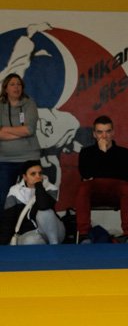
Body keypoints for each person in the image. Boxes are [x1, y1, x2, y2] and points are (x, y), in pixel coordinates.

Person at [76, 115, 128, 243]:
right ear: (94, 134)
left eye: (108, 131)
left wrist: (100, 167)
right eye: (100, 132)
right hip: (94, 194)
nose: (104, 136)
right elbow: (86, 174)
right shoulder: (86, 152)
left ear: (113, 133)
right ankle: (84, 234)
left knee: (127, 188)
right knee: (83, 187)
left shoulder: (123, 152)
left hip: (115, 194)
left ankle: (127, 234)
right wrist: (101, 152)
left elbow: (125, 176)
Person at [0, 73, 41, 207]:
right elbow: (24, 131)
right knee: (4, 198)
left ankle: (33, 221)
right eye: (12, 84)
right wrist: (21, 132)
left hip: (30, 158)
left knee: (34, 197)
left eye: (19, 84)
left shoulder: (30, 104)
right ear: (5, 88)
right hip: (5, 160)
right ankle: (6, 222)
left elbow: (29, 130)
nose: (16, 87)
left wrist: (3, 129)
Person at [1, 160, 64, 245]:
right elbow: (8, 219)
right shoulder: (15, 191)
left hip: (54, 232)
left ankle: (54, 246)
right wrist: (3, 245)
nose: (38, 176)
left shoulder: (51, 188)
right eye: (33, 174)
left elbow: (43, 206)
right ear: (25, 177)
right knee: (29, 241)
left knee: (45, 212)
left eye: (40, 173)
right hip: (31, 234)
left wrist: (38, 185)